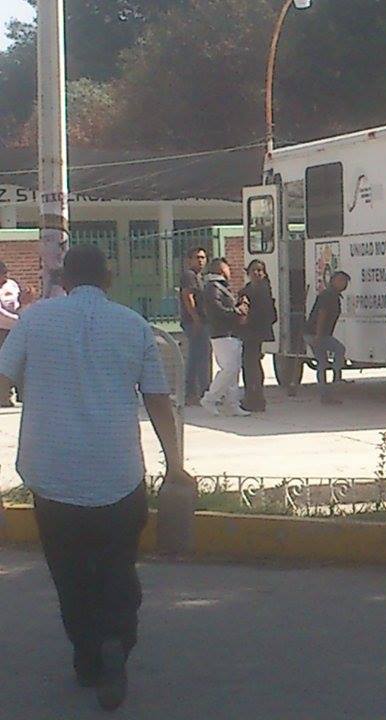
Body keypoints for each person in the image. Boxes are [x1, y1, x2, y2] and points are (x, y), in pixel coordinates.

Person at [0, 243, 194, 711]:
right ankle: (115, 643)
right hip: (118, 475)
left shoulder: (33, 322)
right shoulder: (133, 325)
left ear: (63, 280)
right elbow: (157, 399)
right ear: (108, 279)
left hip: (53, 476)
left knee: (69, 573)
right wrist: (175, 463)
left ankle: (87, 657)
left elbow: (2, 379)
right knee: (117, 567)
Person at [200, 258, 250, 417]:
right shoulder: (214, 287)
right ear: (221, 270)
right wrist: (237, 312)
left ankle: (232, 404)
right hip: (222, 334)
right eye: (228, 268)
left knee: (234, 372)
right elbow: (217, 310)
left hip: (230, 333)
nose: (230, 271)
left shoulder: (220, 287)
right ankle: (210, 398)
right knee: (229, 368)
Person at [237, 260, 277, 413]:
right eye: (254, 270)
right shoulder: (247, 289)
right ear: (248, 272)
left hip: (256, 331)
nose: (257, 273)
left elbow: (268, 314)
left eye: (260, 270)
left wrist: (248, 316)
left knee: (252, 365)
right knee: (249, 365)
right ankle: (252, 396)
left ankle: (256, 399)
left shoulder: (264, 290)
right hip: (248, 332)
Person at [305, 271, 350, 404]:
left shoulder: (332, 295)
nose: (343, 284)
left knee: (322, 363)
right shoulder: (328, 295)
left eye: (345, 281)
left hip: (315, 333)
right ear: (332, 281)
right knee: (339, 349)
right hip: (316, 333)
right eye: (340, 280)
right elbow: (322, 314)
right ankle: (336, 378)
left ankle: (325, 395)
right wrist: (318, 335)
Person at [179, 247, 211, 406]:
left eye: (203, 257)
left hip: (200, 322)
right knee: (200, 358)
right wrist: (196, 318)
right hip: (194, 323)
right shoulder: (189, 276)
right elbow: (188, 297)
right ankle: (199, 392)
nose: (200, 260)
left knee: (197, 356)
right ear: (189, 260)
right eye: (197, 257)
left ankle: (194, 393)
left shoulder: (200, 277)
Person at [0, 261, 24, 406]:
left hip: (14, 330)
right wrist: (19, 321)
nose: (5, 278)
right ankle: (3, 396)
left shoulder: (12, 285)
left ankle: (21, 393)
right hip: (3, 330)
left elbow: (19, 305)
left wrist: (24, 303)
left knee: (19, 361)